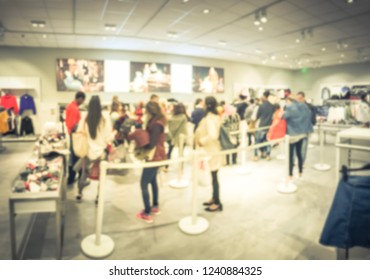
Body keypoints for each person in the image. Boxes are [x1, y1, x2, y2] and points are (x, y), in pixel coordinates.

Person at [76, 96, 114, 200]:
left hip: (87, 151)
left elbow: (79, 130)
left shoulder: (85, 117)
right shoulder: (105, 118)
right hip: (101, 152)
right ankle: (98, 197)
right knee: (101, 176)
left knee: (83, 173)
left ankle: (79, 194)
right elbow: (108, 136)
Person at [137, 101, 167, 223]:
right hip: (158, 156)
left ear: (149, 111)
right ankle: (155, 206)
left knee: (143, 183)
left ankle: (147, 212)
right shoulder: (157, 122)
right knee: (153, 181)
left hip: (154, 156)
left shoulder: (156, 124)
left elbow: (152, 143)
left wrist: (140, 142)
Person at [195, 96, 223, 212]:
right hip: (213, 150)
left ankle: (217, 202)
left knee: (214, 176)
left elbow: (213, 135)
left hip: (211, 151)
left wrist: (202, 141)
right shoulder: (215, 117)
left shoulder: (211, 118)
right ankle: (214, 198)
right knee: (213, 176)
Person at [282, 95, 313, 181]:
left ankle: (290, 175)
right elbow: (309, 116)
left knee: (290, 155)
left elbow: (283, 117)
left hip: (292, 135)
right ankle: (300, 173)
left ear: (289, 100)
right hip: (302, 134)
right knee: (299, 154)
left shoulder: (289, 107)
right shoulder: (304, 105)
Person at [66, 91, 88, 185]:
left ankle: (74, 177)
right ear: (80, 98)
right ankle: (73, 177)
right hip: (75, 135)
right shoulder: (74, 109)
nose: (82, 102)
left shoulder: (70, 106)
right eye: (83, 100)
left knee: (74, 156)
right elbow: (73, 124)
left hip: (73, 134)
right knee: (77, 156)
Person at [166, 103, 189, 170]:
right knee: (181, 153)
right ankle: (181, 167)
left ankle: (166, 166)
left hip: (172, 137)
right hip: (182, 137)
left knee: (169, 152)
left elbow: (172, 128)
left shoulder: (172, 117)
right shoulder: (184, 117)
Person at [253, 91, 274, 161]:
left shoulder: (261, 106)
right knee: (267, 141)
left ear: (264, 96)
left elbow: (257, 116)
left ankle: (256, 155)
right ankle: (267, 155)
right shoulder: (272, 106)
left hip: (262, 126)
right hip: (269, 126)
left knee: (257, 142)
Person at [297, 91, 317, 164]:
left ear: (304, 98)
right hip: (296, 129)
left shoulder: (310, 107)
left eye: (300, 98)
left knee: (303, 146)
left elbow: (313, 119)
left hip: (305, 129)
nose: (299, 100)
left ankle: (301, 162)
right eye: (297, 98)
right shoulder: (296, 106)